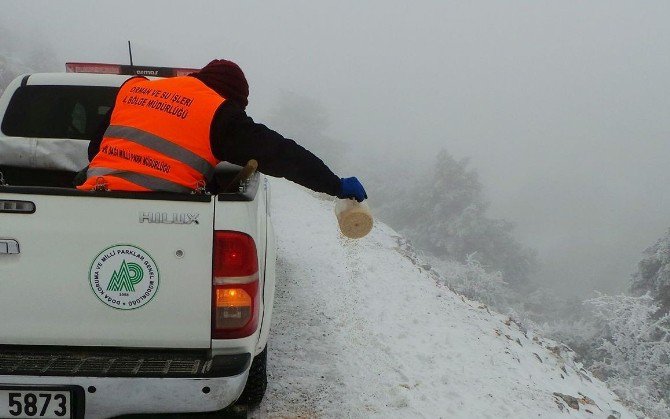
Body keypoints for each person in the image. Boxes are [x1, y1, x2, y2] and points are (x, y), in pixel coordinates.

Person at [77, 59, 367, 202]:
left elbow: (96, 148)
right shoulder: (217, 112)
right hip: (163, 214)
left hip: (93, 199)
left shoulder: (135, 89)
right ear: (231, 99)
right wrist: (334, 185)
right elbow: (281, 154)